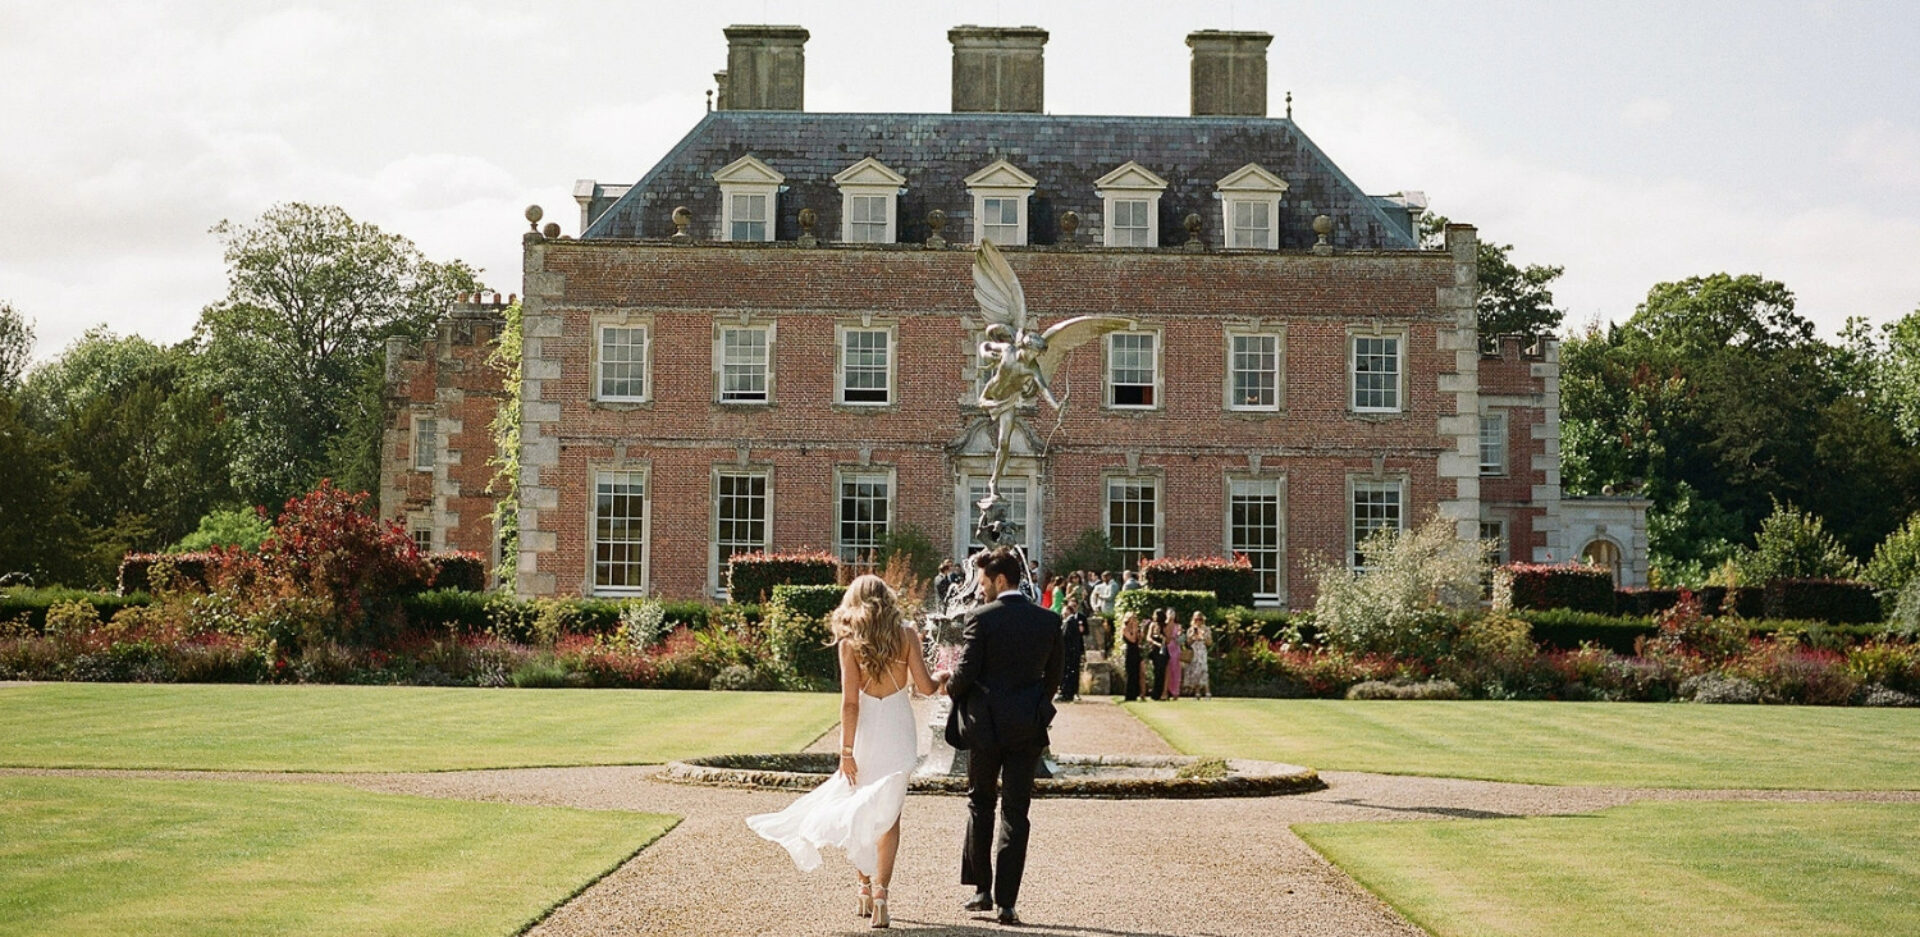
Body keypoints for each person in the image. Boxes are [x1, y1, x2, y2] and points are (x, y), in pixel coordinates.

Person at [747, 575, 949, 929]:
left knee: (862, 810)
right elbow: (926, 687)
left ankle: (863, 887)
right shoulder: (907, 634)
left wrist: (846, 751)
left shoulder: (849, 642)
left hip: (868, 731)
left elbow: (850, 704)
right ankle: (882, 895)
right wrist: (944, 675)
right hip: (899, 730)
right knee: (889, 816)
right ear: (887, 599)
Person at [946, 546, 1065, 926]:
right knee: (1017, 812)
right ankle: (1006, 903)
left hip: (986, 728)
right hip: (1026, 727)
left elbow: (964, 675)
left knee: (981, 803)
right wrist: (1034, 706)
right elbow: (1055, 677)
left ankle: (982, 890)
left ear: (1000, 580)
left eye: (983, 583)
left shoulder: (980, 618)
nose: (979, 590)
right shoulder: (1048, 621)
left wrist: (951, 688)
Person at [1059, 598, 1088, 703]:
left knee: (1068, 672)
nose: (1063, 613)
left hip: (1070, 652)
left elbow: (1065, 637)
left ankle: (1066, 694)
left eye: (1064, 611)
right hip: (1070, 651)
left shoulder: (1070, 622)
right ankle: (1066, 692)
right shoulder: (1069, 621)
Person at [1183, 611, 1212, 699]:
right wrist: (1193, 636)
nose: (1198, 621)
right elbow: (1187, 643)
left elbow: (1209, 643)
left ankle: (1207, 692)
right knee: (1194, 671)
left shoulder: (1206, 629)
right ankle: (1197, 692)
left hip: (1202, 652)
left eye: (1200, 619)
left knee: (1203, 670)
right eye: (1196, 619)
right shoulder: (1190, 629)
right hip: (1193, 652)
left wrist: (1203, 637)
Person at [1119, 611, 1144, 702]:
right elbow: (1132, 640)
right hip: (1130, 651)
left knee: (1136, 673)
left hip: (1136, 650)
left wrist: (1139, 632)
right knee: (1131, 673)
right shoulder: (1125, 628)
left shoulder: (1136, 628)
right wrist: (1133, 629)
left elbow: (1139, 640)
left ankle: (1135, 694)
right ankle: (1129, 695)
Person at [1147, 608, 1170, 700]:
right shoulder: (1152, 625)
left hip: (1163, 650)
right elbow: (1148, 637)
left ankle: (1162, 693)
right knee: (1156, 671)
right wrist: (1155, 643)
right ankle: (1155, 693)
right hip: (1155, 649)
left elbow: (1168, 640)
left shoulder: (1165, 626)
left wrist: (1163, 636)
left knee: (1162, 671)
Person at [1163, 613, 1184, 701]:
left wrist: (1179, 635)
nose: (1171, 615)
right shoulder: (1164, 625)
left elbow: (1181, 640)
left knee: (1176, 671)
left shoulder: (1178, 626)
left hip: (1176, 649)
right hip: (1167, 648)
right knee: (1167, 670)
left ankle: (1175, 692)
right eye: (1169, 613)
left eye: (1173, 614)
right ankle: (1166, 691)